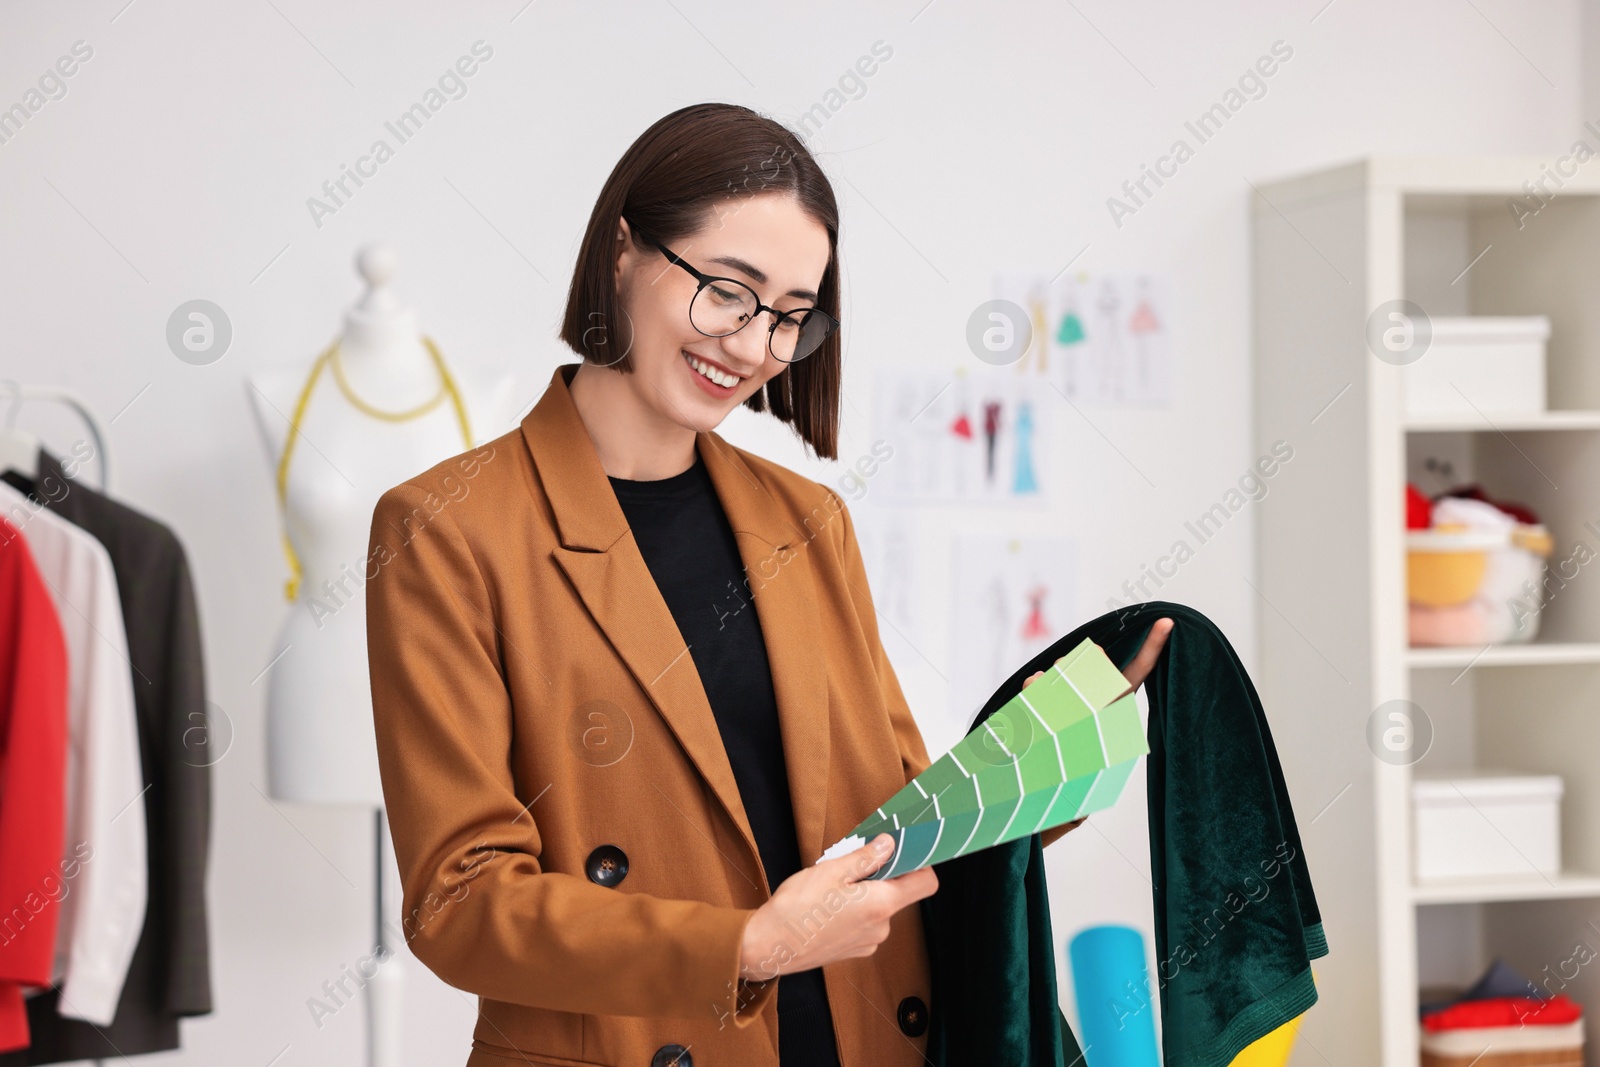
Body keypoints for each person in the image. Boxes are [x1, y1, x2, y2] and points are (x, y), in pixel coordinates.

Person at [364, 101, 1173, 1067]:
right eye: (726, 290)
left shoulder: (808, 520)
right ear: (623, 250)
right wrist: (747, 946)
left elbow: (895, 824)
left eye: (791, 315)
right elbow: (459, 901)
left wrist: (1048, 757)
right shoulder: (446, 527)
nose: (752, 347)